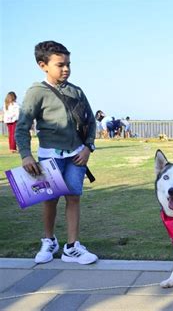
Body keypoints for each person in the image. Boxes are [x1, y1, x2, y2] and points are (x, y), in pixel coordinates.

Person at [15, 40, 98, 264]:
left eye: (68, 64)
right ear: (43, 65)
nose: (66, 69)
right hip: (49, 156)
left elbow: (91, 123)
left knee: (73, 198)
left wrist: (88, 147)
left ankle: (72, 247)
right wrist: (26, 155)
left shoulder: (76, 91)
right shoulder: (36, 92)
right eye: (60, 64)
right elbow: (22, 127)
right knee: (50, 200)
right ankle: (49, 241)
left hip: (76, 156)